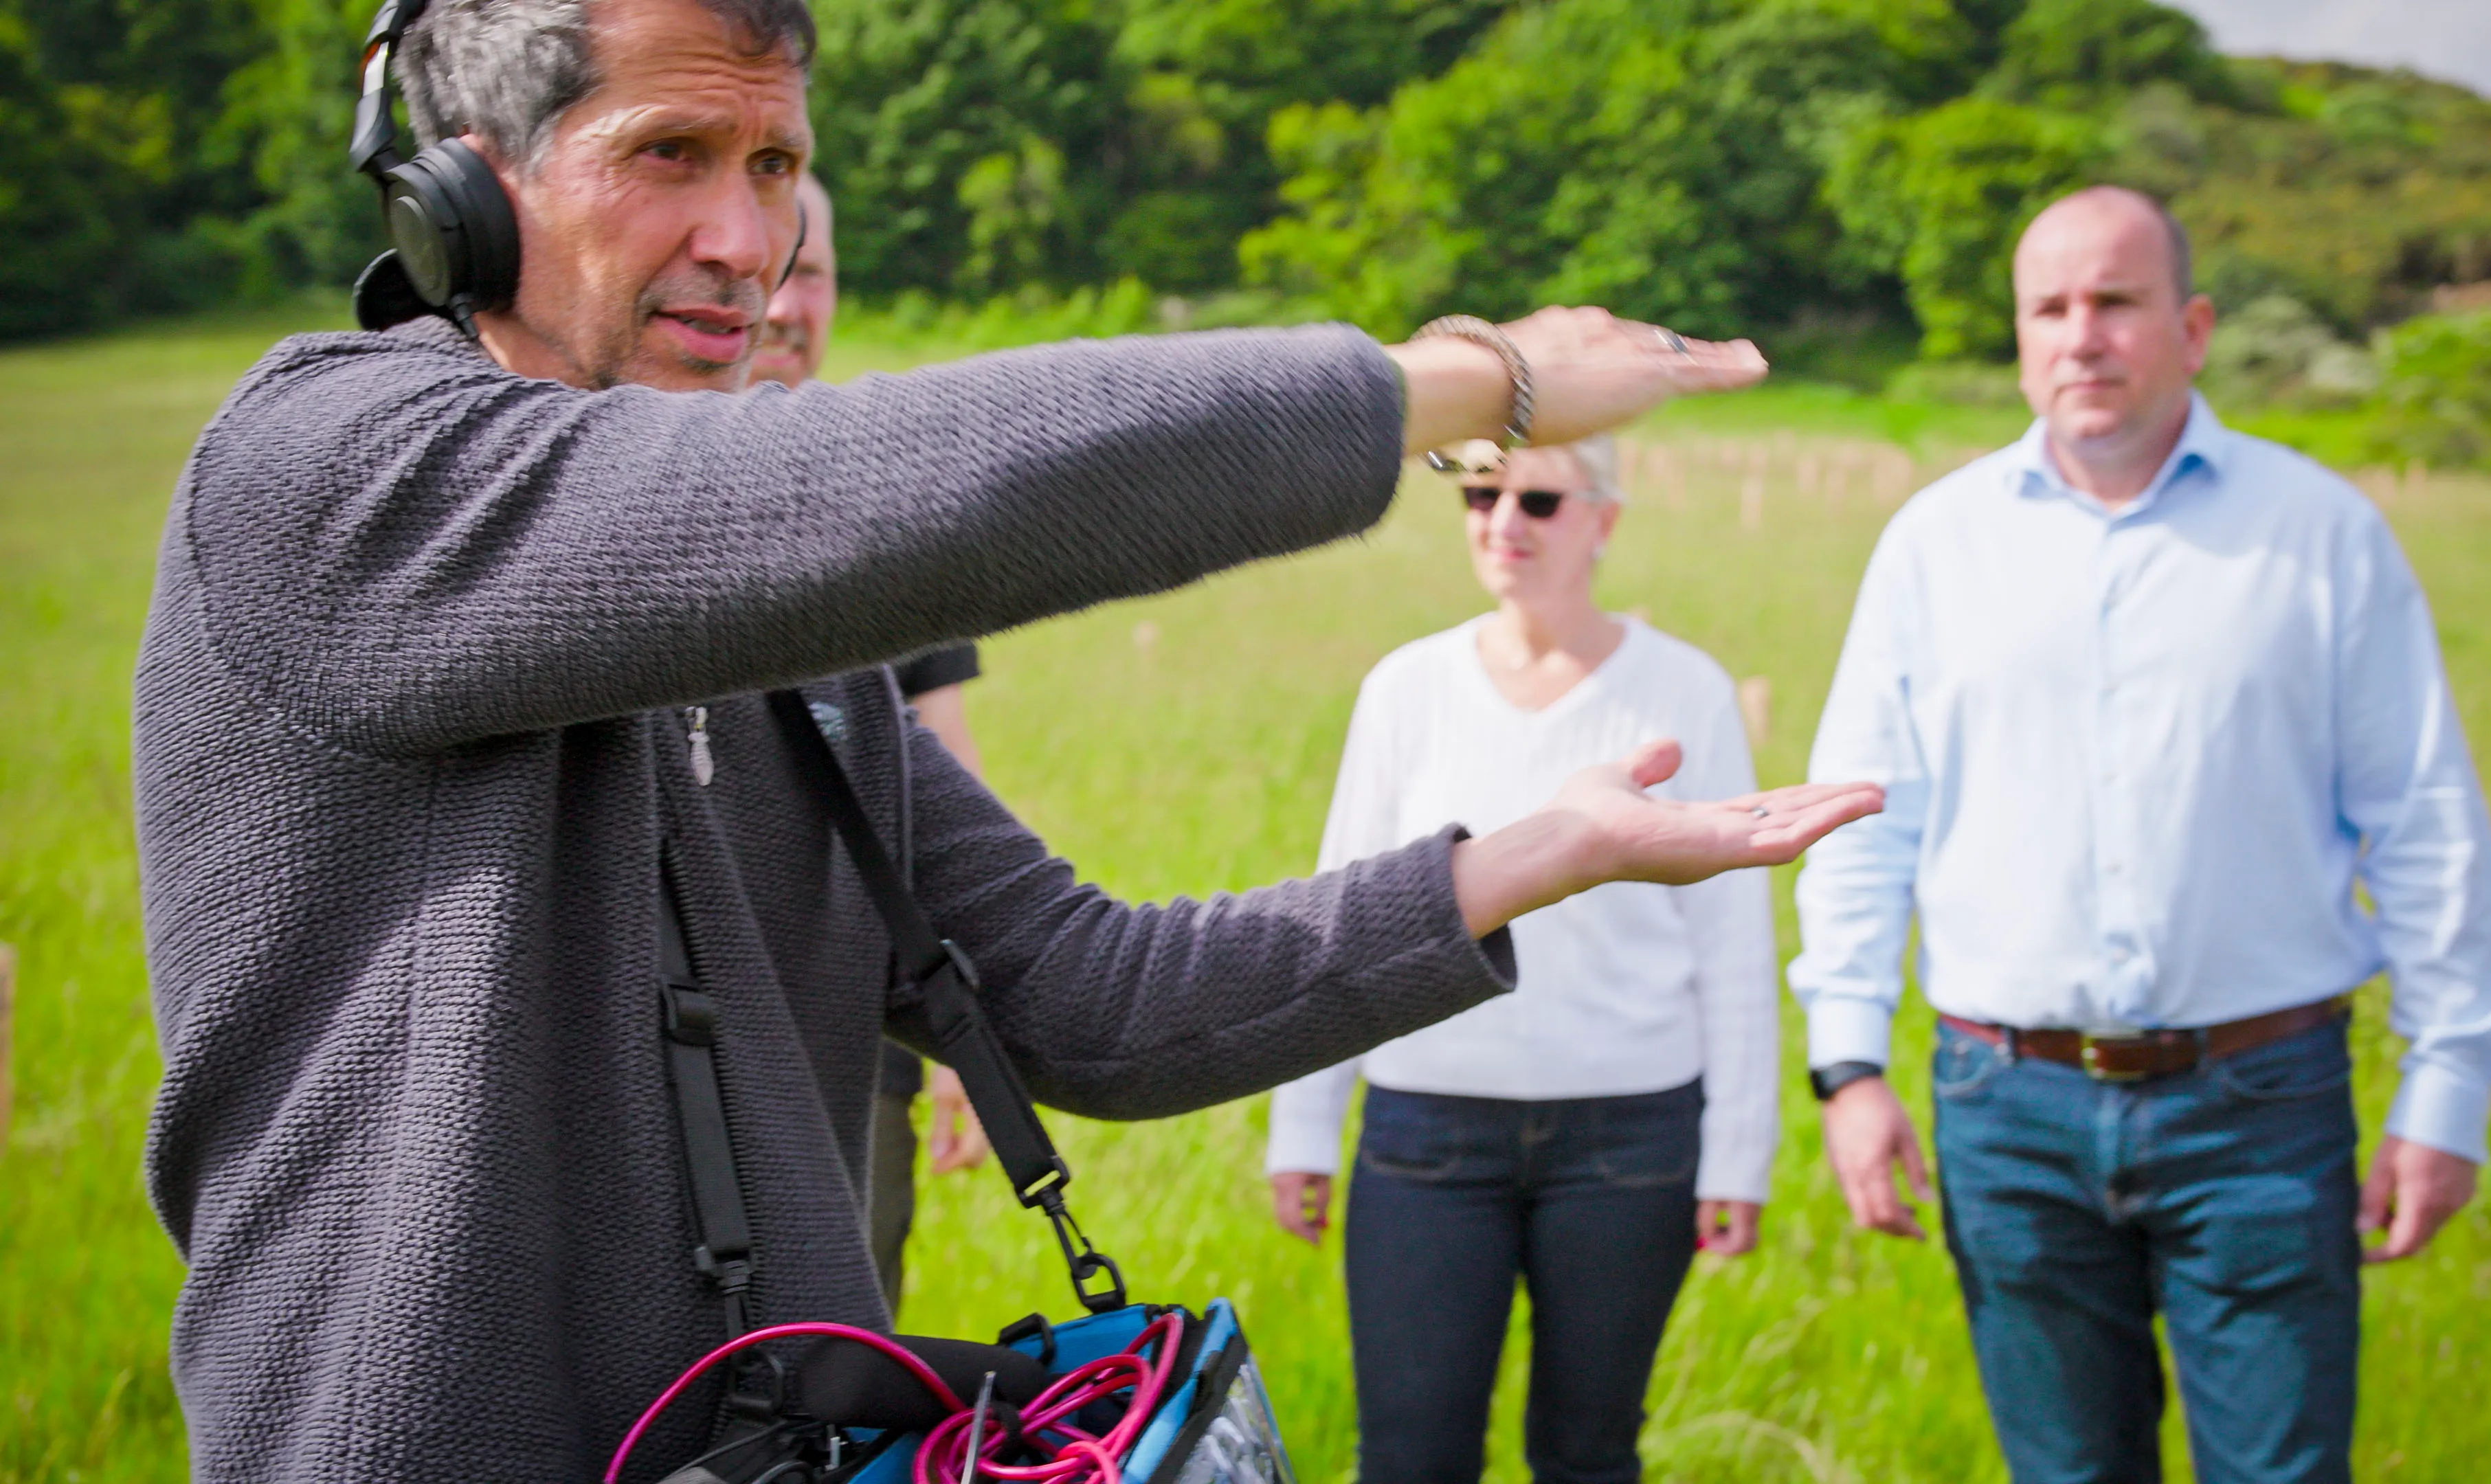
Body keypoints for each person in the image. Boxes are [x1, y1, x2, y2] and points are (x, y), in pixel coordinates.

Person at [132, 0, 1884, 1478]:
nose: (752, 249)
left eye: (776, 166)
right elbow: (868, 500)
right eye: (671, 155)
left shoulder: (788, 662)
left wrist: (1536, 855)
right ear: (466, 189)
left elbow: (1091, 999)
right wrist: (1456, 383)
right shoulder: (326, 479)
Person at [1788, 186, 2491, 1484]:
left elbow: (2422, 814)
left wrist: (2450, 1081)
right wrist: (1848, 1066)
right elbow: (1863, 818)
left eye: (2115, 302)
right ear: (2020, 339)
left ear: (2191, 328)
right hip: (2005, 1112)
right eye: (2050, 308)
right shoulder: (1933, 549)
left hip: (2262, 1113)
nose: (2082, 336)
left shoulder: (2320, 535)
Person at [1265, 437, 1774, 1484]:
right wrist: (1304, 1125)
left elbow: (1732, 940)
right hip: (1425, 1135)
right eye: (1482, 495)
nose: (1505, 521)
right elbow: (1342, 911)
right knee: (1411, 1457)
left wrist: (1739, 1152)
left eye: (1540, 499)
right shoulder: (1406, 687)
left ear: (1606, 520)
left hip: (1631, 1137)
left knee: (1590, 1455)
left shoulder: (1687, 690)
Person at [752, 172, 991, 1314]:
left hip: (861, 1027)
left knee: (852, 1345)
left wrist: (963, 1019)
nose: (788, 304)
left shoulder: (890, 505)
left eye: (812, 271)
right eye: (769, 270)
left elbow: (946, 756)